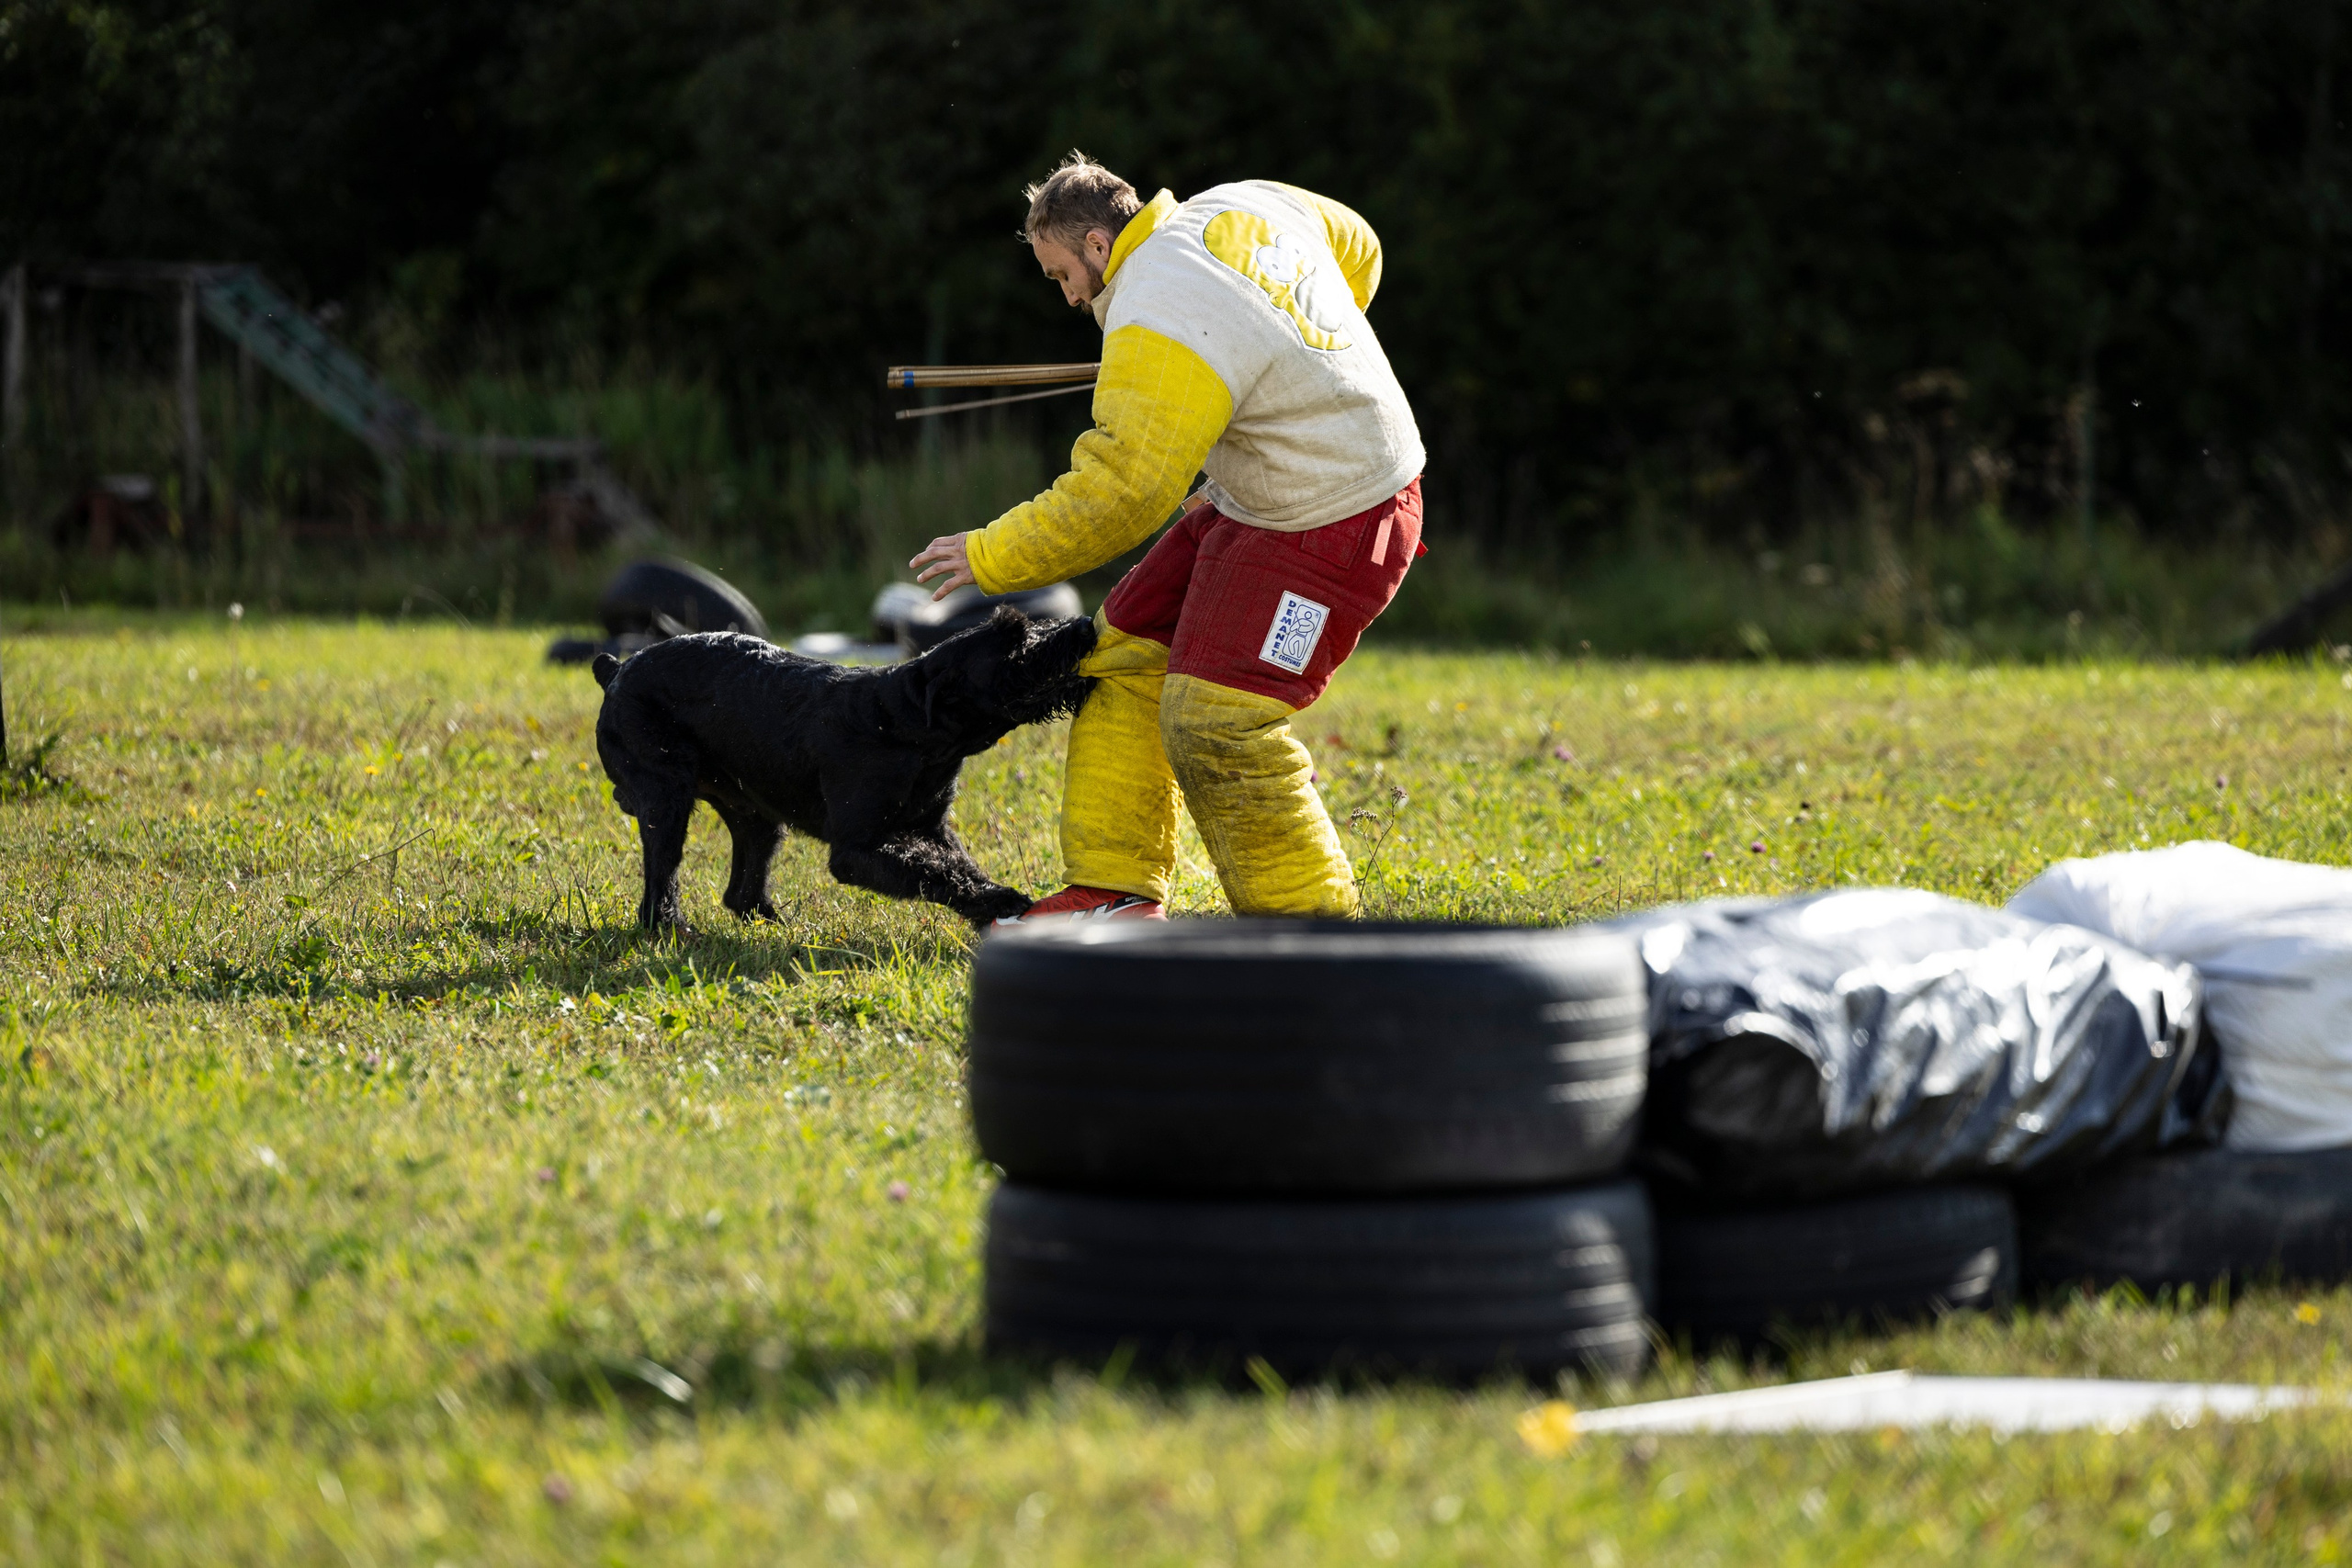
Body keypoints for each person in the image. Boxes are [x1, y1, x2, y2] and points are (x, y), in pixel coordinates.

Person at [910, 152, 1424, 922]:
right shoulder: (1242, 201)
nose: (1067, 297)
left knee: (1218, 719)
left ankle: (1314, 938)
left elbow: (1124, 491)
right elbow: (1359, 245)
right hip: (1263, 496)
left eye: (1060, 276)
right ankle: (1115, 891)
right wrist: (1287, 356)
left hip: (1340, 515)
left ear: (1094, 245)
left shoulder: (1154, 310)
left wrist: (991, 553)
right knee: (1123, 649)